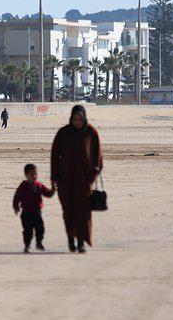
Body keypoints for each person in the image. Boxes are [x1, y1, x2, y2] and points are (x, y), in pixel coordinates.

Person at [51, 105, 102, 254]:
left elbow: (97, 156)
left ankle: (81, 242)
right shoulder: (63, 133)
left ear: (84, 118)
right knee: (69, 211)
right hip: (65, 181)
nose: (77, 122)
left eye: (80, 119)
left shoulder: (91, 132)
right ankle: (71, 240)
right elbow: (54, 156)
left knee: (83, 212)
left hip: (84, 181)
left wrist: (93, 175)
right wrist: (54, 177)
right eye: (75, 119)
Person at [13, 164, 55, 253]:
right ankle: (27, 245)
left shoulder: (39, 185)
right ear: (26, 175)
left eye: (36, 174)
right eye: (32, 174)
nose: (34, 176)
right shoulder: (23, 186)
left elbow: (48, 194)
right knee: (28, 230)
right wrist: (16, 206)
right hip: (26, 213)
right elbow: (17, 197)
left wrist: (53, 189)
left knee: (40, 228)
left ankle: (39, 243)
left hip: (37, 212)